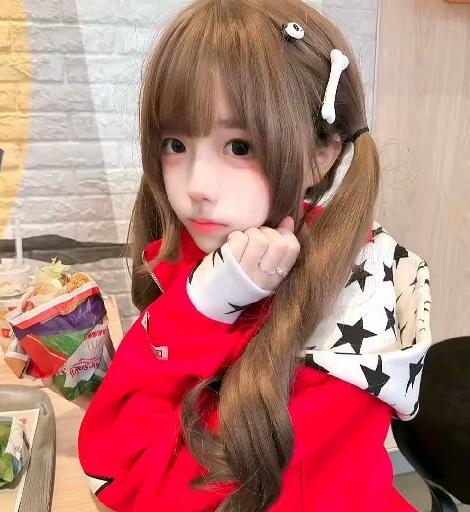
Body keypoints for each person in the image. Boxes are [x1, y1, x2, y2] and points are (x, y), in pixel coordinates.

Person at [77, 1, 432, 510]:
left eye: (240, 147)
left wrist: (197, 311)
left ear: (322, 152)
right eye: (175, 143)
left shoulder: (345, 327)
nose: (196, 186)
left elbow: (119, 474)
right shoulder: (222, 257)